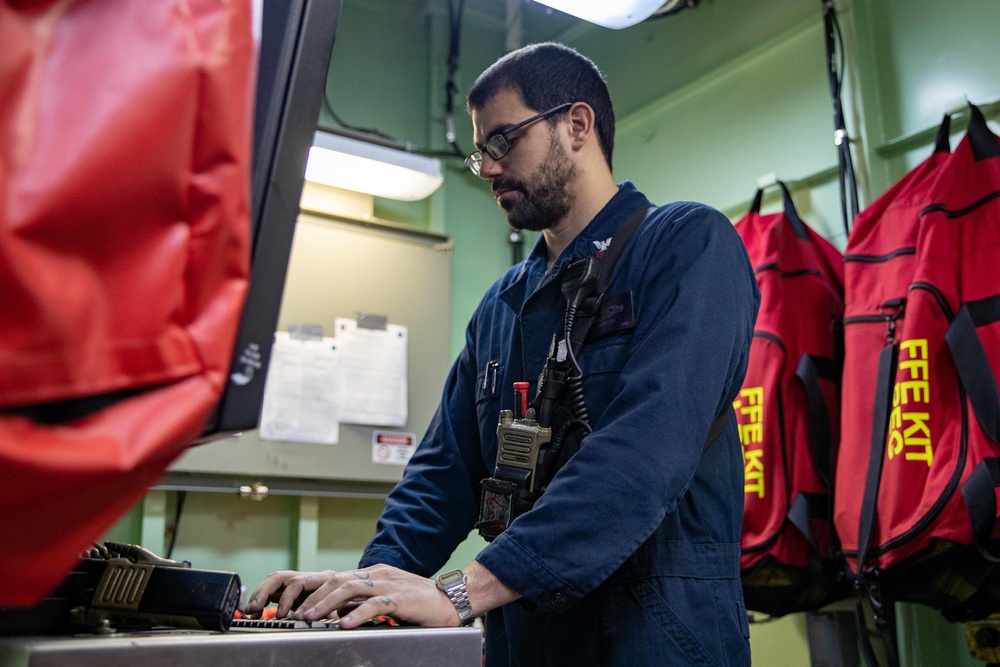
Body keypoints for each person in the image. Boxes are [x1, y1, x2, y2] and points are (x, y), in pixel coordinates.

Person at [246, 42, 759, 666]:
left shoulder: (687, 246)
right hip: (526, 645)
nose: (486, 168)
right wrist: (365, 592)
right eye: (480, 149)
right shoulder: (502, 305)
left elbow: (644, 452)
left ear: (576, 125)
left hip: (654, 639)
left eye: (503, 140)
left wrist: (464, 591)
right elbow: (442, 475)